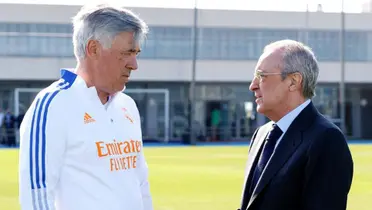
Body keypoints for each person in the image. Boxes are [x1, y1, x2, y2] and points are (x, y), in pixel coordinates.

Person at [18, 4, 152, 210]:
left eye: (136, 53)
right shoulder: (53, 105)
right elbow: (37, 195)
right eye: (127, 53)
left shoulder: (128, 106)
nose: (134, 64)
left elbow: (141, 184)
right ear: (94, 49)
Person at [238, 40, 353, 210]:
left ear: (293, 81)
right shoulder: (261, 135)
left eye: (262, 76)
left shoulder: (326, 140)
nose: (253, 85)